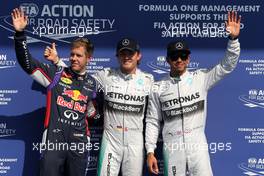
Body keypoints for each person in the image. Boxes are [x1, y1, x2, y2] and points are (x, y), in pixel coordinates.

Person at [146, 11, 241, 176]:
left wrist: (233, 40)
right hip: (173, 148)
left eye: (183, 55)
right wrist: (150, 151)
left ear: (189, 58)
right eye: (175, 56)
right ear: (167, 60)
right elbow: (153, 122)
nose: (179, 60)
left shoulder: (201, 78)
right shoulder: (158, 87)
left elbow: (227, 66)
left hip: (198, 148)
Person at [46, 38, 154, 175]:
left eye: (130, 53)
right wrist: (57, 61)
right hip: (111, 140)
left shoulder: (148, 80)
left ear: (138, 56)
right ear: (117, 56)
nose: (126, 57)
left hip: (135, 142)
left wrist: (150, 150)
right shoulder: (106, 75)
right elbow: (79, 78)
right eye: (122, 53)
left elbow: (152, 117)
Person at [12, 8, 97, 176]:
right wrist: (20, 34)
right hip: (53, 143)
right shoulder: (56, 74)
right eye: (72, 54)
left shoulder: (92, 83)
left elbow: (91, 112)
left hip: (78, 145)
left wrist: (93, 113)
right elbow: (27, 63)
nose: (74, 58)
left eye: (79, 55)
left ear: (89, 58)